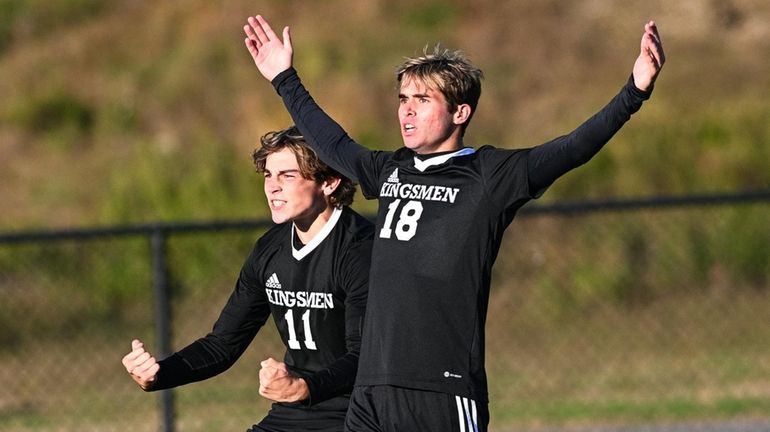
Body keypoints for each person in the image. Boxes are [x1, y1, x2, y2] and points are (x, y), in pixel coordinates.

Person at [244, 15, 665, 432]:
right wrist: (284, 78)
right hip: (372, 391)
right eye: (402, 99)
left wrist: (635, 91)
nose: (406, 111)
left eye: (422, 100)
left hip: (441, 392)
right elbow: (332, 142)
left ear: (460, 112)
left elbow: (573, 147)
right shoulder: (391, 169)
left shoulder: (490, 176)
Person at [121, 126, 374, 432]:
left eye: (288, 176)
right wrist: (159, 374)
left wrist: (304, 386)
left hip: (360, 413)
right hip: (296, 411)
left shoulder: (361, 250)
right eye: (268, 175)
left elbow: (366, 355)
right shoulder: (270, 248)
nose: (272, 187)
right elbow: (222, 345)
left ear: (330, 181)